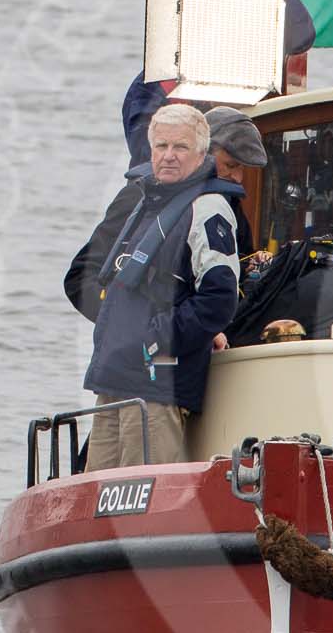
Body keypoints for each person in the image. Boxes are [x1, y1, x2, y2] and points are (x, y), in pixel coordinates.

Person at [79, 104, 242, 470]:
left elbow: (219, 299)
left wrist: (155, 339)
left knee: (139, 495)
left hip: (156, 388)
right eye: (161, 146)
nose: (168, 156)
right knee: (95, 494)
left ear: (202, 153)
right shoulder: (145, 202)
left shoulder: (209, 207)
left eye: (180, 147)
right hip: (112, 381)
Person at [204, 107, 268, 352]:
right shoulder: (155, 200)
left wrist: (252, 264)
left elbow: (242, 256)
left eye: (242, 168)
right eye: (230, 165)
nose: (238, 177)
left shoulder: (231, 205)